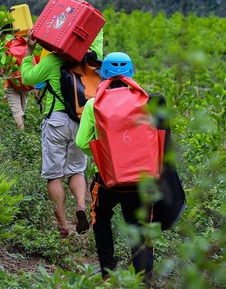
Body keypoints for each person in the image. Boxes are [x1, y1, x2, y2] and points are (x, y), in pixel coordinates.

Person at [75, 52, 156, 285]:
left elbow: (82, 142)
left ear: (104, 74)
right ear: (130, 73)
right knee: (141, 228)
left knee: (100, 218)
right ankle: (143, 280)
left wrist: (105, 157)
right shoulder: (146, 100)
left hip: (108, 180)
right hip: (142, 181)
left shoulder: (93, 104)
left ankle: (108, 273)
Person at [20, 28, 91, 238]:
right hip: (80, 121)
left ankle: (62, 225)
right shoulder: (86, 59)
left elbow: (27, 78)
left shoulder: (52, 61)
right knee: (77, 171)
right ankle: (80, 205)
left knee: (54, 175)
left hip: (57, 121)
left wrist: (29, 50)